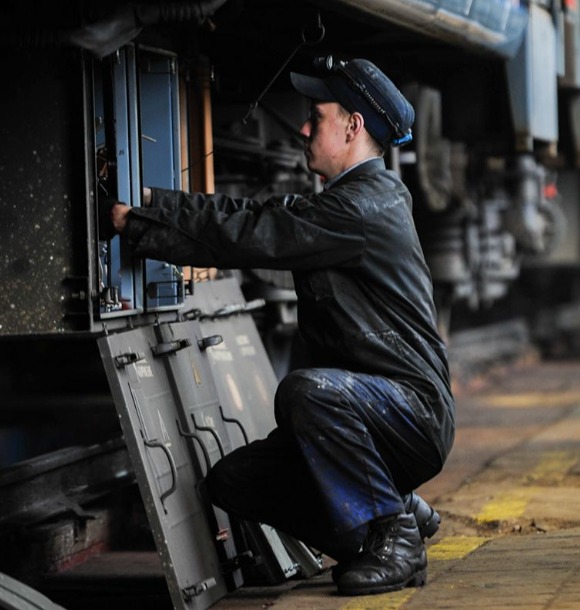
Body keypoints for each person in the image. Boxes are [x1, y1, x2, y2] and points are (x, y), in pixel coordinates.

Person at [104, 57, 454, 596]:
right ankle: (387, 522)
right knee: (235, 482)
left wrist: (143, 223)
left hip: (411, 411)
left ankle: (395, 532)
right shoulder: (348, 203)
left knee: (306, 392)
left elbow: (253, 233)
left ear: (353, 126)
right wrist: (154, 206)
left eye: (317, 116)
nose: (306, 128)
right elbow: (256, 216)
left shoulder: (363, 207)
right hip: (370, 408)